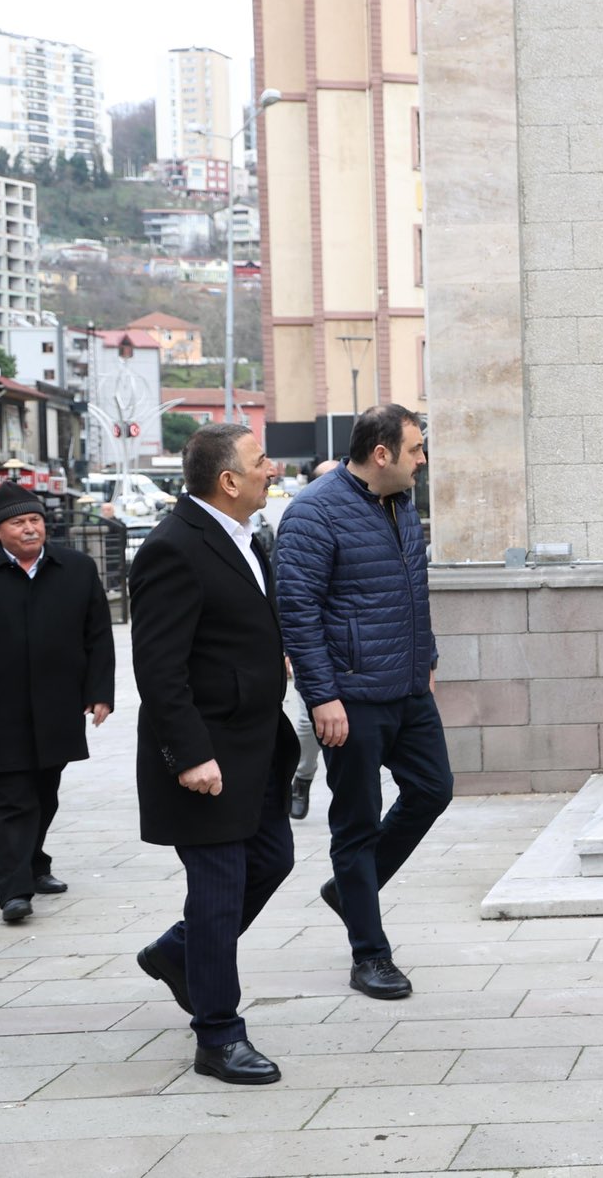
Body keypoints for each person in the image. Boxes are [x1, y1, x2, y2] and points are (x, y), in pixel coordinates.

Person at [129, 423, 296, 1086]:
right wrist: (189, 754)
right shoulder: (173, 547)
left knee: (273, 859)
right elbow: (159, 668)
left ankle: (179, 953)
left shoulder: (246, 536)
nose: (272, 469)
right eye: (261, 462)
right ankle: (218, 1036)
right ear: (228, 481)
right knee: (219, 888)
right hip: (208, 756)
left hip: (255, 747)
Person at [275, 405, 445, 1001]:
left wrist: (427, 659)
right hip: (350, 696)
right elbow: (297, 613)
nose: (422, 460)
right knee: (356, 822)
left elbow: (412, 591)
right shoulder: (313, 513)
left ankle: (352, 889)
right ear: (382, 453)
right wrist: (322, 697)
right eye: (416, 449)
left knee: (433, 789)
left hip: (407, 686)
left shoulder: (402, 504)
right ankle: (369, 954)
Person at [0, 482, 114, 923]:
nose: (30, 529)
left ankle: (35, 862)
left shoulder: (76, 568)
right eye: (19, 522)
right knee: (11, 798)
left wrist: (99, 693)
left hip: (57, 706)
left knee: (44, 794)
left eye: (35, 520)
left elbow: (98, 635)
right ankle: (14, 892)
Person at [287, 458, 344, 821]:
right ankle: (303, 777)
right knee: (308, 722)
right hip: (310, 647)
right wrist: (287, 649)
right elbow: (288, 597)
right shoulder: (301, 521)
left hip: (352, 652)